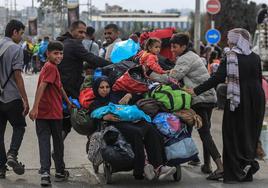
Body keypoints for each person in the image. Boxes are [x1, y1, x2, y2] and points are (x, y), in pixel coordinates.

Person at [186, 28, 265, 183]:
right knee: (249, 132)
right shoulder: (255, 57)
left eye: (230, 39)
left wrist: (195, 90)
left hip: (238, 97)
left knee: (232, 133)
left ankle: (235, 171)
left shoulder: (230, 56)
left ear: (235, 40)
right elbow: (258, 77)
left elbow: (217, 78)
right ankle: (247, 165)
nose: (228, 41)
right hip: (257, 98)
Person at [149, 33, 224, 180]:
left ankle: (220, 167)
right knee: (205, 130)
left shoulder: (185, 58)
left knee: (204, 132)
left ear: (183, 46)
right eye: (171, 46)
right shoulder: (191, 56)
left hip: (200, 98)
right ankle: (207, 165)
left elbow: (172, 78)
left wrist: (151, 75)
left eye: (175, 46)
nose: (172, 49)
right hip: (208, 97)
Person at [88, 76, 176, 181]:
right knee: (137, 132)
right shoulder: (95, 103)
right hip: (116, 124)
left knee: (151, 128)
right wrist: (104, 117)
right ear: (96, 89)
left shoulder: (116, 95)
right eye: (101, 87)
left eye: (107, 87)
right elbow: (93, 117)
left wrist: (129, 95)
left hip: (132, 120)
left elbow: (137, 97)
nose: (105, 89)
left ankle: (159, 167)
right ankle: (141, 167)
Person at [57, 20, 110, 141]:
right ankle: (94, 144)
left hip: (61, 86)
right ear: (72, 30)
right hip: (70, 87)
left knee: (66, 120)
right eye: (80, 32)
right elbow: (91, 58)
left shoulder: (62, 42)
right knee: (88, 114)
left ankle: (57, 148)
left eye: (84, 33)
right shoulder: (74, 44)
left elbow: (73, 61)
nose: (82, 35)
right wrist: (112, 65)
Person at [29, 41, 72, 186]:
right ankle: (57, 171)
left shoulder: (50, 67)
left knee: (46, 142)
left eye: (61, 53)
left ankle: (46, 174)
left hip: (47, 113)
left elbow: (59, 87)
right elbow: (42, 86)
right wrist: (34, 107)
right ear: (48, 54)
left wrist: (68, 101)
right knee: (55, 143)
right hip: (51, 113)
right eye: (55, 53)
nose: (59, 56)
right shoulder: (51, 67)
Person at [0, 20, 29, 179]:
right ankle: (12, 153)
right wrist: (25, 99)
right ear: (14, 32)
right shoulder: (15, 48)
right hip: (12, 97)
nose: (22, 36)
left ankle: (0, 167)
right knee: (19, 126)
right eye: (21, 33)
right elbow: (18, 76)